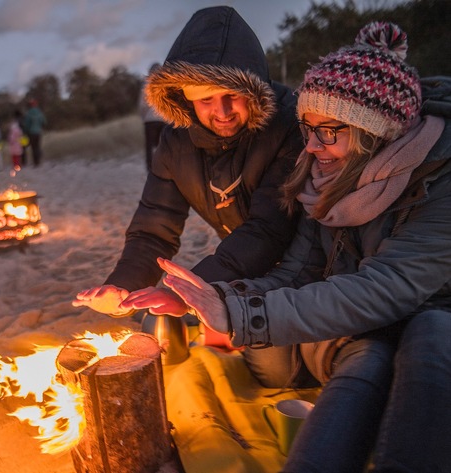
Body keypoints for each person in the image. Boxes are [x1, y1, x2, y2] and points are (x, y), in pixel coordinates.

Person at [126, 22, 451, 473]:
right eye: (306, 128)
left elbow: (388, 286)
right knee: (365, 354)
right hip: (367, 323)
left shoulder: (438, 179)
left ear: (371, 131)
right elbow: (299, 268)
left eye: (327, 132)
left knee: (431, 335)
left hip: (431, 315)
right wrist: (218, 298)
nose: (311, 145)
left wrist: (239, 315)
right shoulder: (324, 180)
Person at [73, 6, 303, 324]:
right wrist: (123, 286)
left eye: (232, 96)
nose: (222, 112)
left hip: (299, 266)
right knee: (155, 320)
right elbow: (155, 229)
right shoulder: (176, 143)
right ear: (185, 98)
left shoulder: (288, 125)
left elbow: (268, 229)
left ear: (254, 90)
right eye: (206, 99)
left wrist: (187, 292)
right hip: (240, 263)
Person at [139, 62, 167, 171]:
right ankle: (165, 166)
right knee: (164, 144)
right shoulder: (165, 84)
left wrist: (144, 117)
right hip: (164, 119)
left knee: (149, 146)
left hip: (150, 120)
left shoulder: (146, 85)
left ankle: (150, 168)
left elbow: (142, 105)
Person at [21, 98, 46, 166]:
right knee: (37, 146)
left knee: (29, 147)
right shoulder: (39, 112)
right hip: (38, 132)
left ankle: (25, 162)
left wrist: (25, 131)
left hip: (31, 133)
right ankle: (37, 162)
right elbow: (44, 122)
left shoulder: (28, 113)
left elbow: (27, 125)